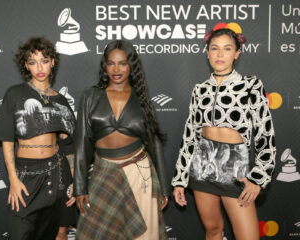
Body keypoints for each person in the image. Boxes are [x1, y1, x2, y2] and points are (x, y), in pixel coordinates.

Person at [172, 23, 276, 240]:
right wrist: (180, 178)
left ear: (237, 53)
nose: (220, 54)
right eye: (215, 48)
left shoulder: (251, 86)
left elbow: (265, 135)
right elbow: (190, 136)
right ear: (207, 52)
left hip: (235, 168)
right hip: (202, 165)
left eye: (227, 48)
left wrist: (258, 177)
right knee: (213, 231)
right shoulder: (200, 90)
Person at [74, 40, 171, 240]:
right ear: (105, 66)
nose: (116, 69)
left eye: (122, 63)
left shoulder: (142, 98)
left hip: (140, 174)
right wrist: (80, 187)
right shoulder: (90, 96)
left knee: (145, 235)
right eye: (111, 63)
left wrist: (163, 185)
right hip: (104, 172)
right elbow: (82, 142)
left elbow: (154, 143)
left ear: (131, 66)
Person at [0, 37, 76, 240]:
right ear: (26, 66)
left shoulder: (61, 100)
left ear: (53, 62)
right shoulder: (15, 94)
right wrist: (13, 178)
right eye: (33, 62)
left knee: (56, 234)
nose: (39, 67)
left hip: (58, 174)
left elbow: (69, 145)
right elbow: (7, 140)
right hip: (26, 175)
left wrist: (73, 181)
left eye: (44, 60)